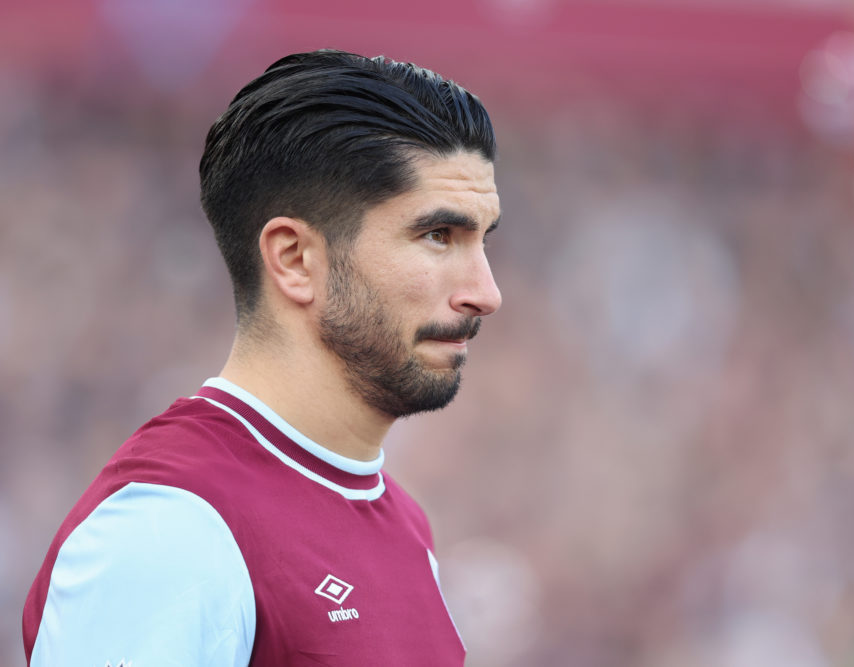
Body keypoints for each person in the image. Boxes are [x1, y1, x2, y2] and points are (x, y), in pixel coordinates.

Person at [23, 48, 502, 666]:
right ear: (295, 259)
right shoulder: (172, 530)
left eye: (482, 240)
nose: (486, 294)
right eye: (438, 236)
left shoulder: (405, 525)